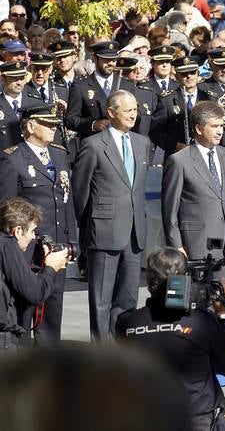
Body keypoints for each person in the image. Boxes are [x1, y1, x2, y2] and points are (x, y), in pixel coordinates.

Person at [116, 248, 225, 430]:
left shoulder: (127, 323)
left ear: (149, 280)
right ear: (184, 279)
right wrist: (222, 315)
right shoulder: (202, 322)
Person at [72, 90, 150, 342]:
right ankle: (101, 350)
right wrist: (86, 229)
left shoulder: (141, 143)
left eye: (135, 109)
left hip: (134, 230)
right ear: (111, 112)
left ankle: (122, 345)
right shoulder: (93, 145)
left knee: (128, 296)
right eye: (127, 110)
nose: (132, 114)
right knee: (102, 296)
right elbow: (81, 191)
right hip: (104, 230)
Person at [0, 105, 76, 344]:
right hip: (27, 252)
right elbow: (7, 212)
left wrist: (71, 243)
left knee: (52, 316)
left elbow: (67, 202)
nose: (54, 128)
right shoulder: (12, 158)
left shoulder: (59, 153)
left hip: (56, 250)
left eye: (55, 123)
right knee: (23, 316)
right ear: (30, 127)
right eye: (48, 124)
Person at [162, 102, 225, 281]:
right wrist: (177, 245)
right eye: (214, 126)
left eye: (221, 126)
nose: (220, 131)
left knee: (222, 300)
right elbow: (169, 209)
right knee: (196, 301)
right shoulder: (179, 161)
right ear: (199, 128)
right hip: (194, 246)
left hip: (224, 245)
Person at [0, 197, 68, 351]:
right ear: (17, 230)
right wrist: (51, 267)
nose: (33, 237)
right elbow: (36, 293)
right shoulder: (8, 246)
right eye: (32, 231)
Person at [64, 41, 137, 140]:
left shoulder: (127, 85)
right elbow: (70, 120)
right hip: (94, 144)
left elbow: (138, 116)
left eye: (113, 59)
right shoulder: (81, 86)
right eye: (106, 59)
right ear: (95, 58)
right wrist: (93, 125)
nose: (110, 63)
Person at [150, 56, 210, 158]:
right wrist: (176, 145)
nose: (189, 76)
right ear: (176, 76)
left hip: (205, 153)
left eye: (192, 72)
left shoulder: (209, 98)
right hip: (178, 155)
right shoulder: (167, 100)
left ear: (198, 74)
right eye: (184, 74)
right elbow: (156, 132)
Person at [0, 61, 40, 151]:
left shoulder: (36, 102)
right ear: (3, 78)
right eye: (14, 78)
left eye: (22, 78)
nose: (19, 82)